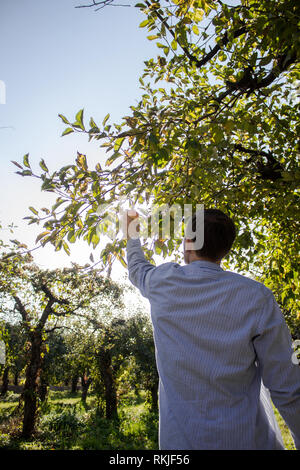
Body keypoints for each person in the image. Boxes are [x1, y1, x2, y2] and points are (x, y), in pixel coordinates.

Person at [125, 208, 300, 450]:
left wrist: (132, 230)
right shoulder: (256, 297)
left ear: (188, 241)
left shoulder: (162, 282)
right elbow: (287, 386)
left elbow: (136, 267)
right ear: (226, 249)